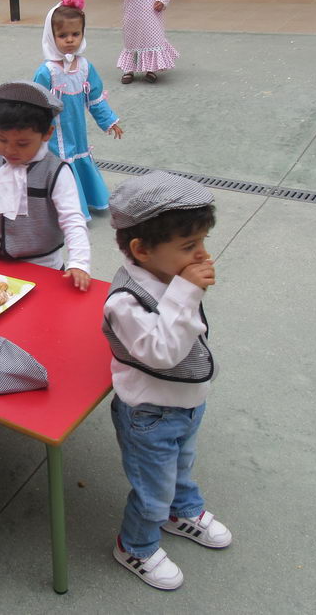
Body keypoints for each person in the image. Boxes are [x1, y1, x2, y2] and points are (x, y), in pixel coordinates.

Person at [103, 170, 232, 591]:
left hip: (186, 401)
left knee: (181, 465)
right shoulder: (125, 301)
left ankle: (183, 510)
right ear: (141, 250)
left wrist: (182, 288)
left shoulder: (167, 278)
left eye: (202, 243)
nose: (201, 255)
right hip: (149, 414)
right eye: (189, 246)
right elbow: (162, 352)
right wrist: (186, 294)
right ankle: (136, 546)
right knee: (151, 489)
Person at [0, 81, 92, 292]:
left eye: (22, 144)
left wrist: (79, 262)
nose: (9, 150)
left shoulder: (56, 171)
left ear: (47, 134)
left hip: (43, 266)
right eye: (1, 139)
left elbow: (72, 219)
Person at [33, 0, 124, 215]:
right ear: (51, 36)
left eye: (76, 34)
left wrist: (109, 121)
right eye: (63, 35)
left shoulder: (85, 67)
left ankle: (85, 200)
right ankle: (65, 208)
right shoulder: (47, 72)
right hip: (53, 134)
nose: (70, 40)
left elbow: (94, 98)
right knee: (60, 162)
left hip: (78, 131)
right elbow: (35, 106)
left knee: (79, 155)